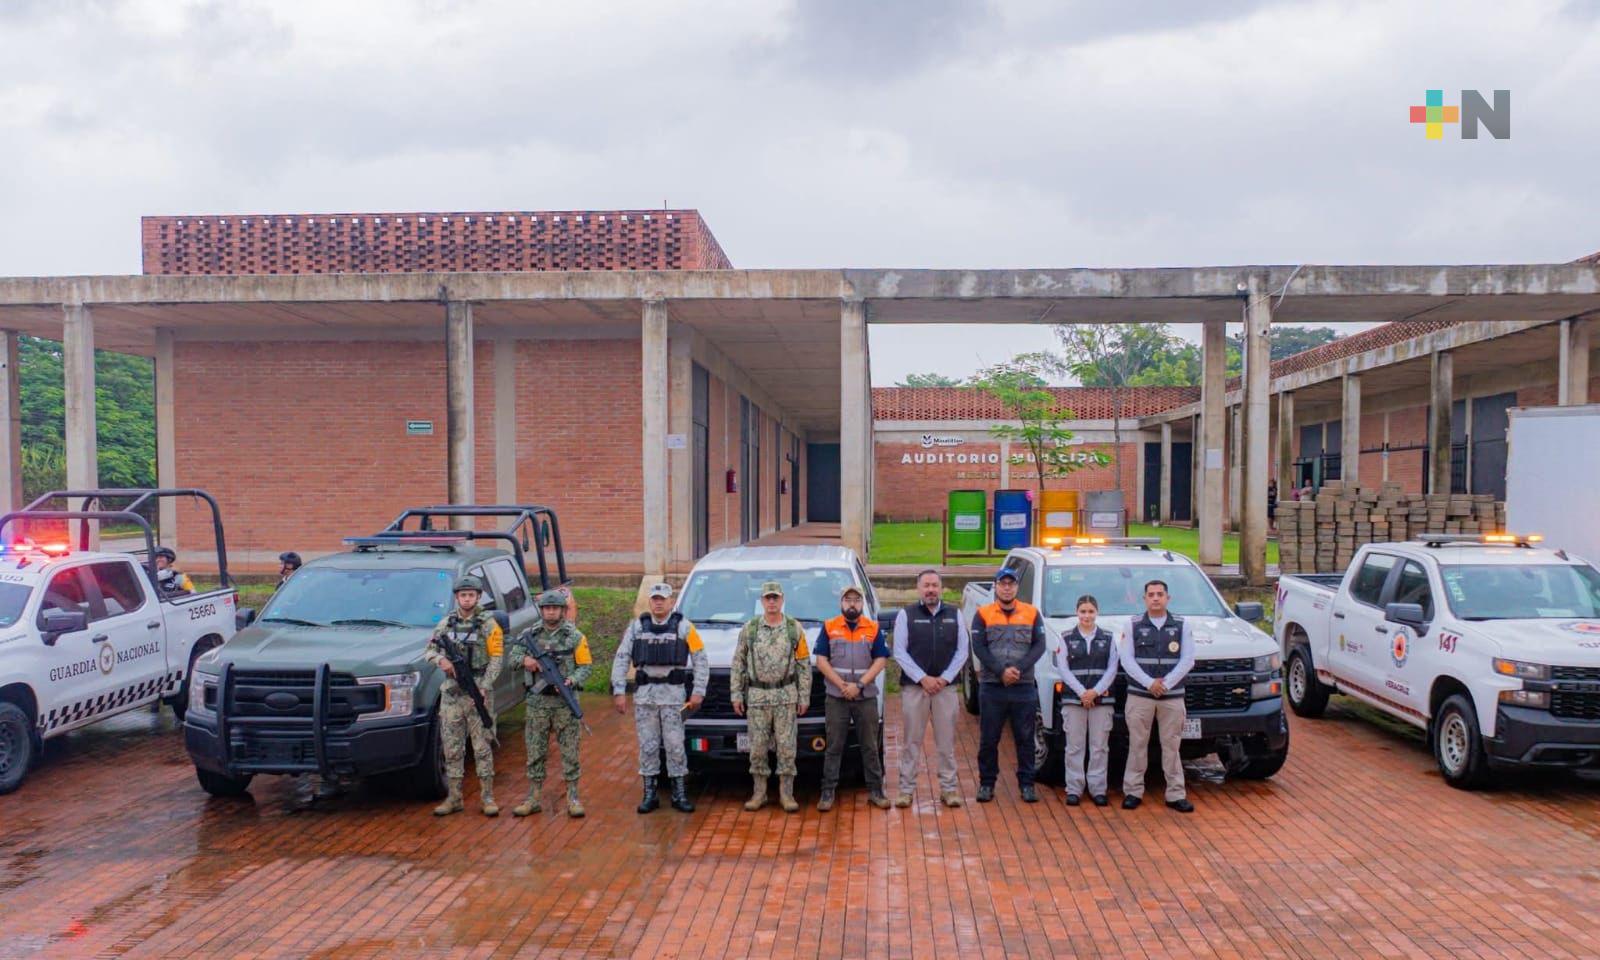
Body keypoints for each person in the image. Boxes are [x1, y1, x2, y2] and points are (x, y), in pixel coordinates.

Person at [612, 582, 708, 814]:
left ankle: (679, 794)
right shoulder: (637, 627)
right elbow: (622, 657)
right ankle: (650, 794)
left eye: (662, 599)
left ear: (671, 602)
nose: (658, 603)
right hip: (645, 698)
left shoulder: (684, 627)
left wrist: (698, 690)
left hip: (673, 697)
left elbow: (700, 659)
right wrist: (619, 690)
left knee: (675, 745)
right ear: (650, 601)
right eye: (655, 599)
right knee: (648, 746)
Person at [422, 575, 504, 816]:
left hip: (478, 690)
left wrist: (485, 685)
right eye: (463, 595)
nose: (467, 599)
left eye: (471, 595)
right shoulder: (446, 624)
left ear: (478, 597)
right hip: (452, 691)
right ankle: (454, 797)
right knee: (452, 747)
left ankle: (487, 798)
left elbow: (497, 658)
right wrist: (441, 660)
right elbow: (429, 650)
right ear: (457, 597)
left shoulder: (488, 624)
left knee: (482, 747)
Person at [509, 589, 594, 818]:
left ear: (563, 611)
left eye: (555, 608)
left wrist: (571, 680)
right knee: (535, 752)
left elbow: (586, 667)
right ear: (542, 610)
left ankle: (573, 798)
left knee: (570, 753)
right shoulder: (530, 635)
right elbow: (512, 658)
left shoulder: (575, 636)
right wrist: (526, 660)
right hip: (537, 704)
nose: (551, 612)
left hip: (565, 705)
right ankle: (533, 798)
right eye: (547, 608)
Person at [729, 580, 812, 813]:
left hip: (786, 697)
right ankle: (759, 793)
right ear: (762, 601)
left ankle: (787, 794)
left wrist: (804, 696)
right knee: (757, 748)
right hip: (758, 698)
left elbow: (804, 665)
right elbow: (738, 663)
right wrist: (736, 694)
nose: (772, 602)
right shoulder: (750, 629)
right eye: (768, 598)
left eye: (776, 597)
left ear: (782, 599)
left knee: (787, 748)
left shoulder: (794, 628)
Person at [891, 569, 968, 808]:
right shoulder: (906, 614)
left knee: (946, 743)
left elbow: (962, 651)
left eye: (935, 585)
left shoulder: (955, 614)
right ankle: (906, 791)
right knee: (911, 742)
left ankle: (949, 789)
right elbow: (899, 651)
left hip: (946, 689)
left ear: (941, 588)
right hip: (915, 689)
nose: (931, 590)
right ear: (918, 589)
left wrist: (944, 679)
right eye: (926, 585)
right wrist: (922, 678)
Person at [1118, 579, 1196, 813]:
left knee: (1172, 747)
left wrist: (1167, 684)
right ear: (1144, 599)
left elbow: (1188, 659)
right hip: (1140, 695)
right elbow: (1126, 660)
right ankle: (1133, 792)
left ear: (1167, 598)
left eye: (1159, 594)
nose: (1155, 598)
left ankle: (1176, 794)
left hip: (1172, 697)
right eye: (1150, 594)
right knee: (1137, 745)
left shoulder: (1182, 625)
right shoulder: (1132, 625)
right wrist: (1149, 683)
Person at [971, 565, 1046, 804]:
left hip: (1023, 686)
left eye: (1010, 584)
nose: (1006, 588)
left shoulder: (1032, 613)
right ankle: (986, 784)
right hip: (992, 686)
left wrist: (1018, 670)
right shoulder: (983, 614)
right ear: (995, 587)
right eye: (1002, 584)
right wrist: (1001, 671)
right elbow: (979, 647)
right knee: (989, 738)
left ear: (1016, 587)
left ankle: (1027, 784)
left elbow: (1039, 646)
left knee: (1025, 738)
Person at [813, 584, 890, 812]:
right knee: (834, 746)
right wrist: (842, 685)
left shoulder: (873, 628)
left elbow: (881, 660)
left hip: (865, 696)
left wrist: (859, 685)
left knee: (870, 746)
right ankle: (827, 792)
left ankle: (876, 791)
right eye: (848, 600)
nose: (852, 604)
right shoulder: (829, 627)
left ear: (862, 603)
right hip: (837, 697)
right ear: (841, 603)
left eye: (856, 600)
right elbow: (821, 661)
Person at [1055, 594, 1118, 807]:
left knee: (1099, 746)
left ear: (1097, 612)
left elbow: (1112, 668)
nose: (1087, 616)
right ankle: (1074, 789)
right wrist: (1083, 692)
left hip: (1102, 699)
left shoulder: (1108, 638)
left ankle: (1098, 789)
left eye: (1091, 611)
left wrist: (1095, 692)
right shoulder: (1066, 638)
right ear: (1077, 612)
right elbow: (1063, 669)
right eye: (1083, 611)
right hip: (1074, 699)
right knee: (1074, 746)